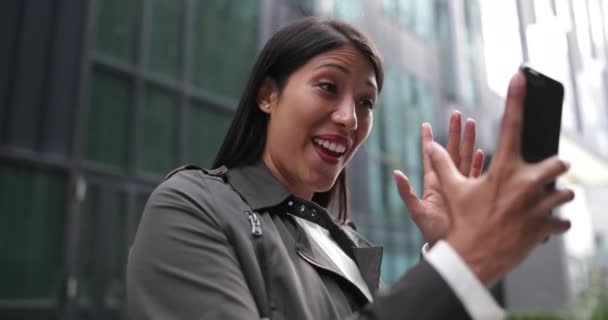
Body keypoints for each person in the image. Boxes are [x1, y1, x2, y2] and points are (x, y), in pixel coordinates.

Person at [127, 17, 574, 320]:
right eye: (327, 87)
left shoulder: (346, 246)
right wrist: (464, 261)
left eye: (365, 101)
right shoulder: (192, 207)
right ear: (267, 95)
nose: (350, 118)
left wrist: (446, 249)